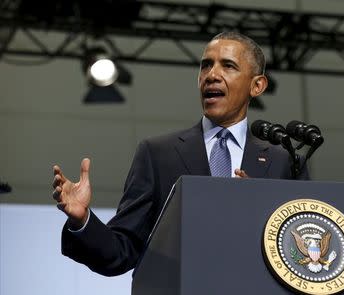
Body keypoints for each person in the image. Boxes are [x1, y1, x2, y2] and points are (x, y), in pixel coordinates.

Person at [52, 31, 309, 276]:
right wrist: (82, 219)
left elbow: (303, 249)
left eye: (228, 66)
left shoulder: (284, 161)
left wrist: (258, 211)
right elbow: (122, 251)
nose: (212, 75)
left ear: (257, 86)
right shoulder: (158, 154)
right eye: (206, 66)